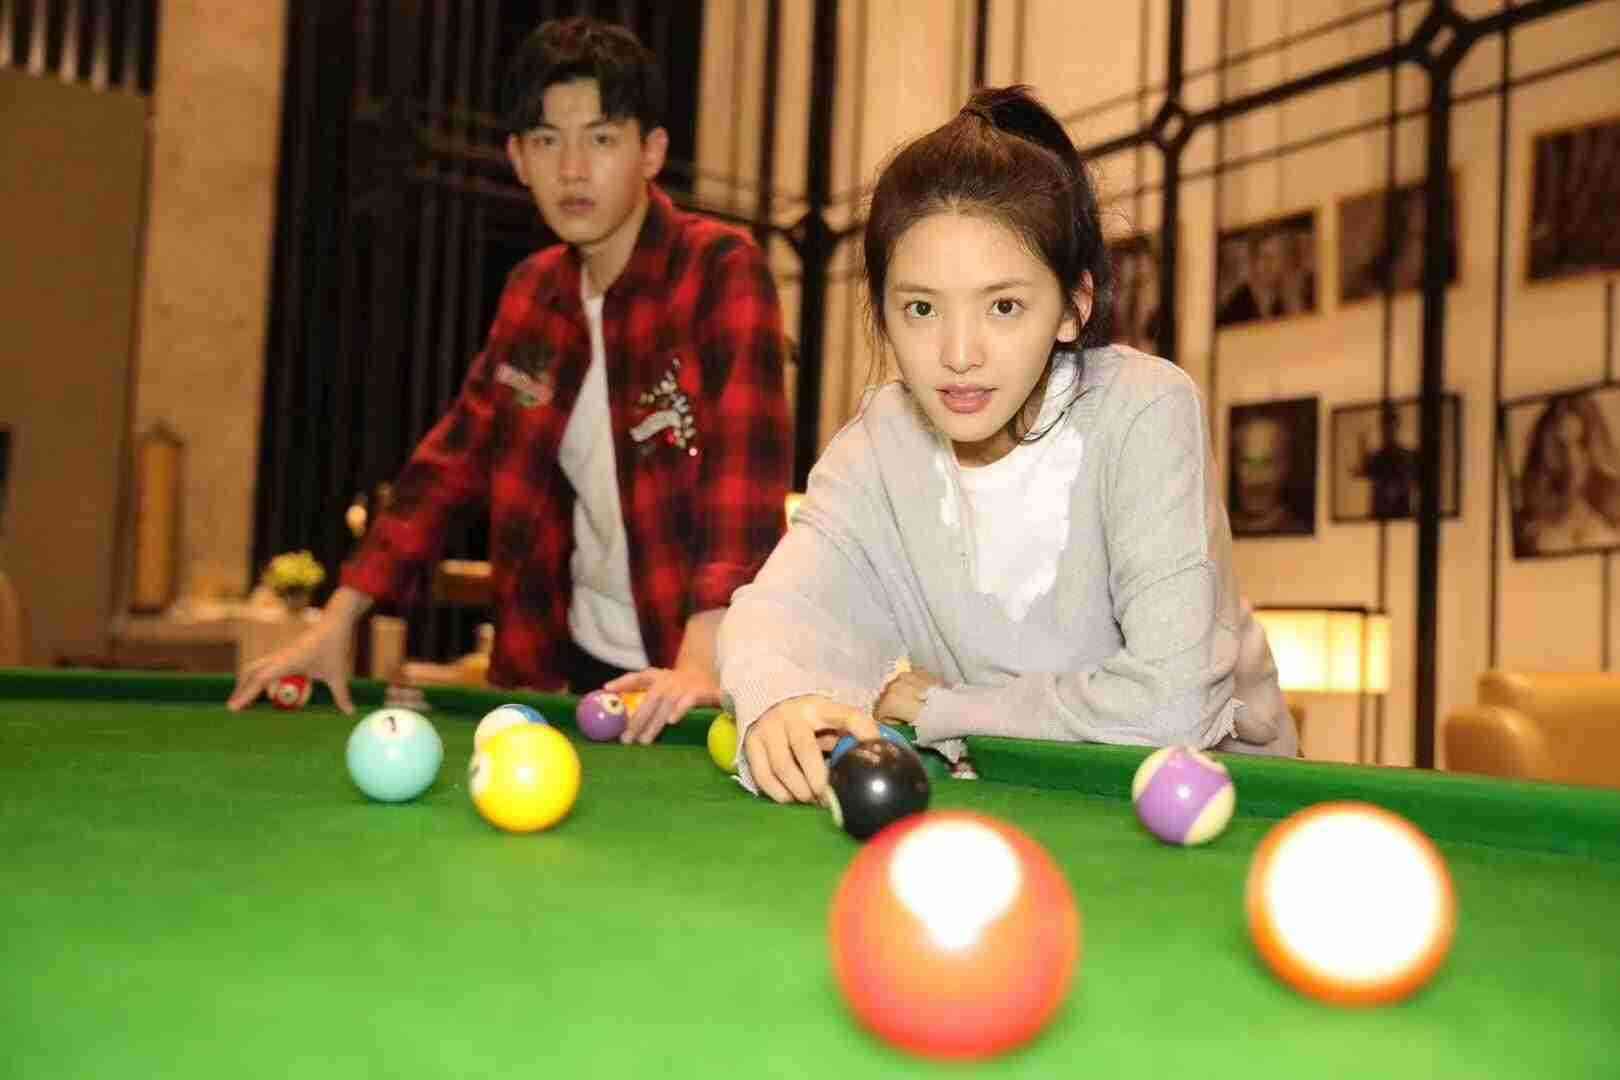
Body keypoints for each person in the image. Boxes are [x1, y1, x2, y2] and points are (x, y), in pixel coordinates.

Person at [717, 86, 1297, 805]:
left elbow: (1170, 705)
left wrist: (946, 708)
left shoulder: (1144, 410)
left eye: (1003, 306)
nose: (959, 354)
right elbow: (778, 612)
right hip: (1001, 801)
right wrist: (777, 697)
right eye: (921, 308)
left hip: (1218, 808)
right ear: (883, 313)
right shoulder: (879, 440)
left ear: (1073, 308)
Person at [229, 16, 791, 743]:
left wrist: (700, 665)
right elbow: (450, 462)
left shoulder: (719, 269)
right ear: (518, 159)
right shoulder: (533, 292)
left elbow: (742, 485)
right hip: (563, 673)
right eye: (547, 141)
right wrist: (335, 623)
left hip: (694, 670)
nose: (573, 170)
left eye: (601, 139)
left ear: (651, 151)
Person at [1516, 393, 1620, 555]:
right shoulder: (1535, 515)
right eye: (1562, 447)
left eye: (1581, 444)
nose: (1573, 458)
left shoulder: (1610, 495)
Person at [1229, 413, 1310, 535]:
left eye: (1267, 463)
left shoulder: (1299, 532)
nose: (1255, 476)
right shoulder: (1215, 531)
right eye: (1246, 461)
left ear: (1285, 468)